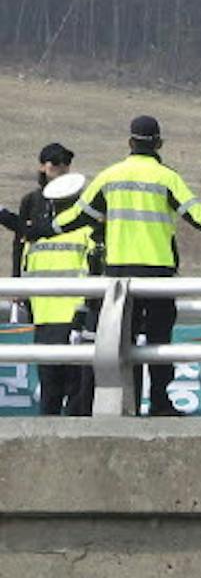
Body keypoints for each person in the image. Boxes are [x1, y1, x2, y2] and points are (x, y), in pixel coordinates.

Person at [40, 115, 201, 415]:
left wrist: (39, 229)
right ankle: (160, 403)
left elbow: (76, 217)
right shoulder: (167, 178)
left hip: (119, 275)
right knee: (159, 342)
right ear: (159, 144)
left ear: (129, 143)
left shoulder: (109, 176)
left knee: (122, 342)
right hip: (158, 273)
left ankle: (124, 405)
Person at [21, 170, 95, 416]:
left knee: (50, 394)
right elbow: (94, 276)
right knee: (78, 395)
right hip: (76, 322)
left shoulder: (34, 240)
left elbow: (26, 279)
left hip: (43, 324)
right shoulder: (87, 235)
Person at [13, 141, 73, 283]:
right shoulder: (31, 200)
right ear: (42, 167)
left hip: (68, 272)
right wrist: (16, 280)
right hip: (35, 271)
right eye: (55, 162)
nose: (62, 166)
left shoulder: (78, 199)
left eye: (66, 162)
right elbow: (19, 241)